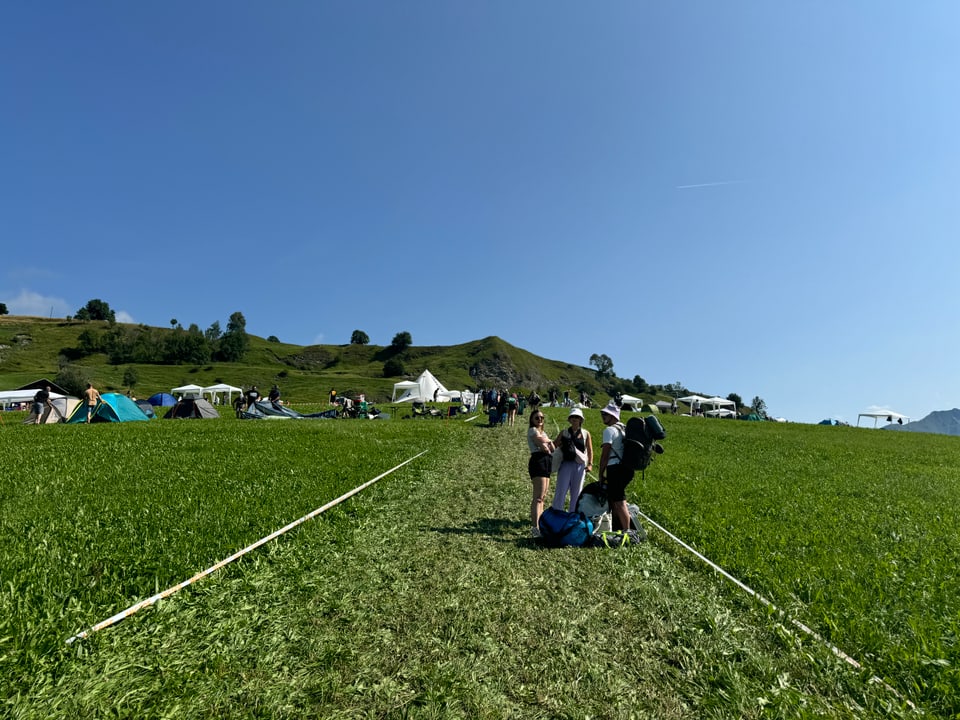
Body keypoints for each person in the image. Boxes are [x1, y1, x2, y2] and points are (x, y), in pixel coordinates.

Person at [598, 401, 634, 531]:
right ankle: (618, 527)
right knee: (616, 498)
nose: (603, 416)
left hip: (615, 468)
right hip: (627, 468)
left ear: (613, 416)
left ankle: (627, 531)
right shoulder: (624, 429)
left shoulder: (609, 430)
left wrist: (601, 473)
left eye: (606, 414)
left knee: (619, 501)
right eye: (602, 414)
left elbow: (605, 454)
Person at [552, 407, 593, 512]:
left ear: (581, 420)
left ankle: (573, 515)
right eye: (572, 417)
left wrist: (590, 464)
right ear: (569, 419)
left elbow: (589, 450)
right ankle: (557, 513)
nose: (575, 419)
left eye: (577, 417)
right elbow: (554, 445)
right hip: (566, 464)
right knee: (561, 490)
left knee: (577, 492)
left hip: (580, 466)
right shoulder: (564, 432)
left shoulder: (585, 433)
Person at [527, 410, 555, 537]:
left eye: (542, 418)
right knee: (538, 497)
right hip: (538, 461)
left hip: (546, 462)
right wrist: (548, 442)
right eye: (537, 418)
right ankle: (535, 527)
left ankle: (540, 525)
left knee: (543, 497)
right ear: (532, 419)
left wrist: (548, 441)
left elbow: (552, 448)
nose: (540, 420)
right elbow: (544, 447)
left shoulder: (543, 433)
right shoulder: (533, 430)